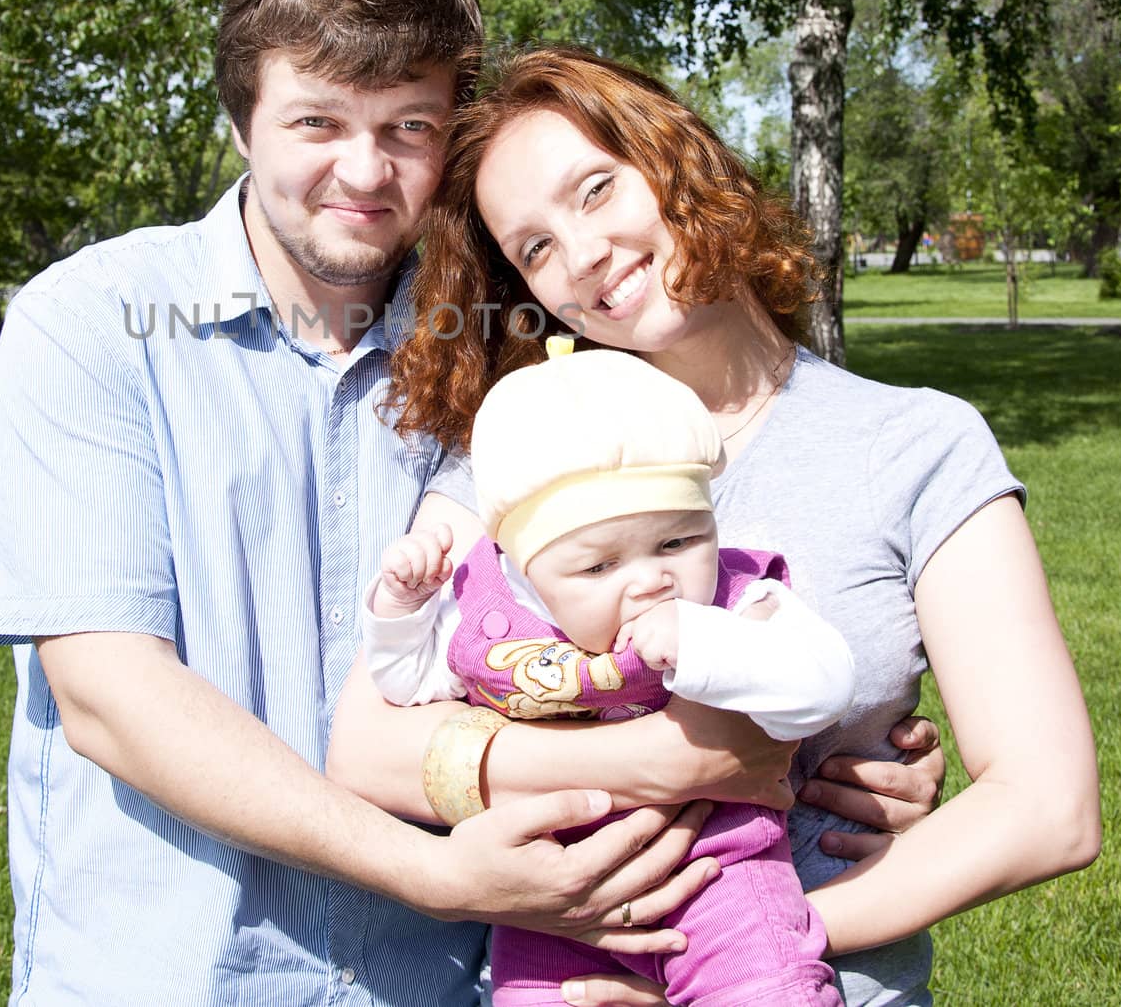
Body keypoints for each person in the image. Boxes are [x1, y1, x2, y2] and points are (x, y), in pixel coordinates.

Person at [0, 0, 737, 1007]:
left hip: (446, 982)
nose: (365, 172)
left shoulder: (504, 342)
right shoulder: (89, 325)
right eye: (316, 122)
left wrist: (845, 747)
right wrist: (428, 871)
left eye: (408, 127)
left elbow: (642, 582)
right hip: (174, 975)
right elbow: (107, 695)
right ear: (241, 123)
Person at [328, 44, 1099, 1007]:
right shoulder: (519, 451)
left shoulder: (911, 444)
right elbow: (365, 748)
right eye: (533, 247)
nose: (583, 256)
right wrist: (643, 772)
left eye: (597, 189)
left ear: (675, 155)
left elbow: (1048, 806)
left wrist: (740, 943)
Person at [366, 343, 856, 1005]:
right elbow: (408, 684)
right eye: (599, 567)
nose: (652, 576)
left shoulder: (735, 600)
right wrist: (401, 612)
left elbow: (825, 681)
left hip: (720, 874)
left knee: (767, 989)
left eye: (679, 541)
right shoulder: (493, 617)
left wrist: (705, 643)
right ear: (524, 569)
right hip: (548, 898)